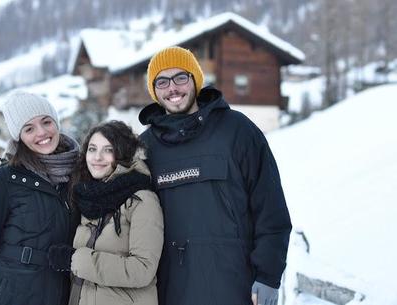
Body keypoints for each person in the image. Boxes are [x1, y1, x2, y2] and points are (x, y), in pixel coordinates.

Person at [138, 46, 292, 305]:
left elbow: (270, 208)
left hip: (236, 287)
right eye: (162, 81)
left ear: (196, 80)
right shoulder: (145, 149)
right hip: (171, 290)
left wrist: (268, 275)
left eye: (180, 77)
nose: (172, 88)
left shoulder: (237, 131)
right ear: (154, 91)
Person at [0, 91, 80, 305]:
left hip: (65, 294)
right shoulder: (3, 181)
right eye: (29, 128)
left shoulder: (79, 173)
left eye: (46, 122)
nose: (41, 132)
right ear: (18, 136)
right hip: (12, 295)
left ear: (56, 123)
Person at [50, 120, 164, 305]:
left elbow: (142, 269)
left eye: (108, 150)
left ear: (123, 154)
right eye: (92, 149)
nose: (97, 157)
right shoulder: (86, 197)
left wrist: (75, 260)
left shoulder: (142, 200)